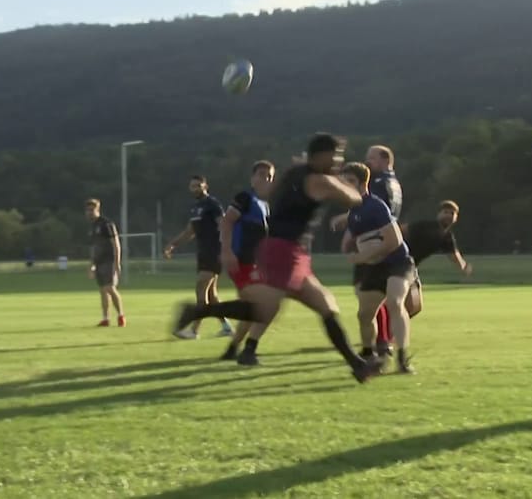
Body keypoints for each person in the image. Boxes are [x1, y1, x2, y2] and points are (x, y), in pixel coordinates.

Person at [173, 133, 382, 383]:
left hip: (287, 251)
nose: (338, 160)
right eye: (334, 155)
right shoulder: (318, 180)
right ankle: (198, 311)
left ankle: (358, 365)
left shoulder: (296, 174)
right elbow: (354, 198)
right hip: (283, 251)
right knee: (264, 310)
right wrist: (340, 179)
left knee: (325, 305)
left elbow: (275, 195)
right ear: (320, 156)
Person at [340, 162, 417, 373]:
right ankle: (369, 354)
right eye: (343, 182)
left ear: (362, 183)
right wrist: (354, 252)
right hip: (374, 266)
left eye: (351, 182)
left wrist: (364, 254)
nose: (346, 186)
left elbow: (394, 241)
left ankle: (402, 359)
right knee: (365, 315)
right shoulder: (353, 211)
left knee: (394, 302)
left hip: (398, 263)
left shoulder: (375, 206)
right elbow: (359, 240)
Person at [330, 145, 404, 357]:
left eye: (371, 157)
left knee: (368, 296)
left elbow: (370, 207)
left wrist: (348, 229)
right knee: (375, 298)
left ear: (384, 159)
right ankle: (381, 341)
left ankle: (381, 341)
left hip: (376, 246)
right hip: (381, 242)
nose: (368, 161)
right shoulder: (395, 183)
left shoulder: (379, 183)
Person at [164, 175, 233, 339]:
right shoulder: (195, 208)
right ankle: (226, 327)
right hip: (202, 253)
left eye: (198, 185)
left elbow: (223, 226)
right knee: (211, 295)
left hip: (213, 252)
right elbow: (190, 232)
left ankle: (194, 330)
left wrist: (226, 249)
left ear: (205, 186)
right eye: (192, 186)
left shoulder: (212, 204)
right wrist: (173, 244)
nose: (195, 189)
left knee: (200, 288)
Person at [219, 160, 275, 364]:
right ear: (252, 178)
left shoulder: (264, 205)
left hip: (254, 265)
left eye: (269, 176)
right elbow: (227, 221)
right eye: (261, 174)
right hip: (240, 262)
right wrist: (226, 251)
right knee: (264, 305)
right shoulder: (245, 198)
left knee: (253, 308)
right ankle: (247, 351)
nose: (265, 179)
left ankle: (233, 348)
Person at [401, 200, 473, 318]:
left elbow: (455, 256)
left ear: (456, 218)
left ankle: (393, 326)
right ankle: (391, 327)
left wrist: (464, 267)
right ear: (439, 214)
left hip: (411, 267)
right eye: (445, 212)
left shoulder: (446, 237)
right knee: (409, 305)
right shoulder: (425, 226)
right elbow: (401, 229)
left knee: (416, 307)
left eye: (452, 213)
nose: (448, 216)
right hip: (401, 263)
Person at [85, 198, 126, 327]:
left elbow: (116, 244)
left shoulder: (107, 224)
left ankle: (121, 316)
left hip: (109, 260)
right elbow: (94, 247)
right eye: (88, 210)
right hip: (99, 262)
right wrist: (92, 264)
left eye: (92, 210)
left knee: (110, 288)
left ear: (98, 209)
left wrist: (117, 262)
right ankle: (105, 318)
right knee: (102, 290)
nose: (90, 212)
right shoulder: (93, 227)